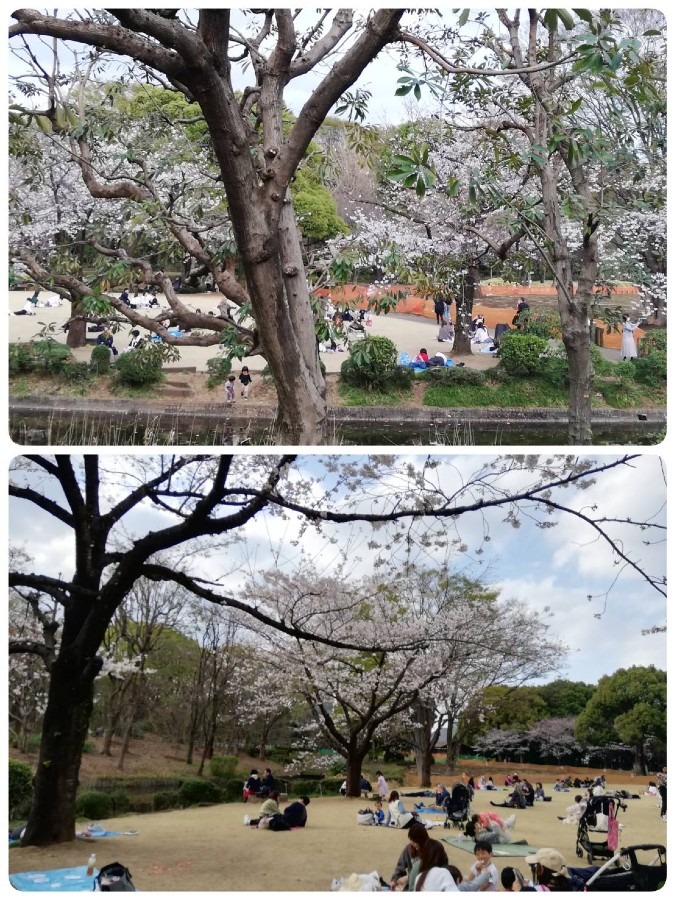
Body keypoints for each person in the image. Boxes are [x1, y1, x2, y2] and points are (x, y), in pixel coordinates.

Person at [390, 821, 430, 890]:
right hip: (412, 887)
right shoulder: (408, 849)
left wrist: (409, 877)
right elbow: (399, 869)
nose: (414, 845)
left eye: (416, 842)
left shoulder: (433, 850)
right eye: (412, 842)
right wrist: (394, 881)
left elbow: (433, 873)